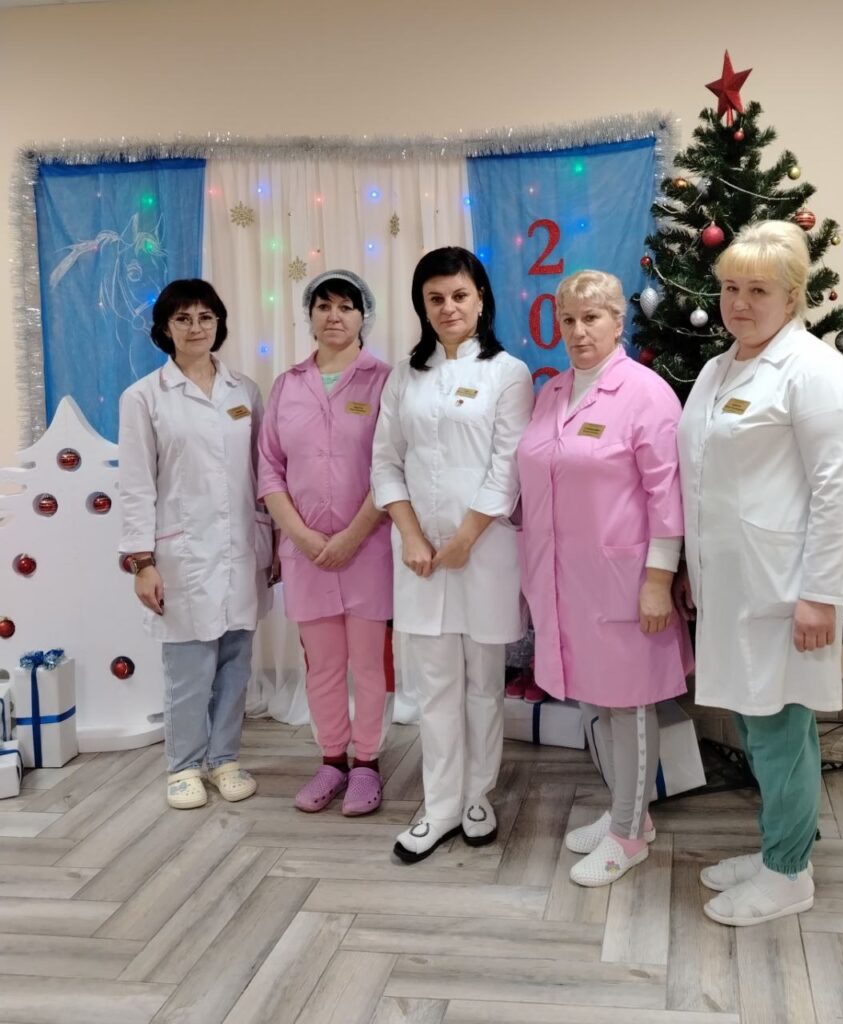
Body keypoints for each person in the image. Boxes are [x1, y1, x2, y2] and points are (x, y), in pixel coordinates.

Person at [675, 220, 843, 926]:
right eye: (730, 287)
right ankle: (777, 850)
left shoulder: (819, 374)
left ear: (793, 295)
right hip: (731, 583)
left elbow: (838, 492)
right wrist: (692, 568)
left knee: (780, 727)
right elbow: (703, 477)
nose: (739, 303)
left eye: (758, 290)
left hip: (785, 589)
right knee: (756, 721)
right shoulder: (719, 369)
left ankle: (788, 873)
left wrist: (821, 596)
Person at [517, 269, 693, 887]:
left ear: (619, 322)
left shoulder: (646, 394)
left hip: (625, 579)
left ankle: (629, 834)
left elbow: (667, 494)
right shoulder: (552, 392)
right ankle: (629, 813)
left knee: (631, 705)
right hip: (565, 580)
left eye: (591, 317)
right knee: (596, 699)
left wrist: (658, 580)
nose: (578, 330)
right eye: (568, 319)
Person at [372, 246, 534, 863]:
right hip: (419, 557)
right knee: (434, 685)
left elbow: (506, 466)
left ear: (481, 299)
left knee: (483, 684)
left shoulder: (508, 373)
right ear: (422, 305)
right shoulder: (403, 376)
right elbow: (385, 463)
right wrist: (413, 536)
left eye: (459, 295)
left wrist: (465, 538)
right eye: (435, 298)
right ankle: (438, 806)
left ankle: (477, 797)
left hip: (484, 552)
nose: (448, 308)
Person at [119, 279, 273, 810]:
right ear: (165, 328)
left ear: (219, 324)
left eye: (206, 317)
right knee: (189, 666)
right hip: (179, 553)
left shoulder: (244, 391)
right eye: (183, 318)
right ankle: (183, 765)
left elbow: (262, 473)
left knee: (235, 662)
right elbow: (136, 484)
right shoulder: (144, 397)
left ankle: (224, 758)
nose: (195, 327)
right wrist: (142, 562)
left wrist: (272, 542)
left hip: (242, 547)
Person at [257, 270, 392, 816]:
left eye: (346, 306)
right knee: (324, 666)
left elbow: (392, 465)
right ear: (309, 315)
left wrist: (352, 536)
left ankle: (368, 763)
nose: (334, 316)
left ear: (364, 316)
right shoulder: (287, 385)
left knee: (370, 665)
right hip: (307, 554)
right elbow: (269, 469)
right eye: (323, 306)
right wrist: (302, 536)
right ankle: (332, 760)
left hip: (369, 548)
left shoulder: (384, 381)